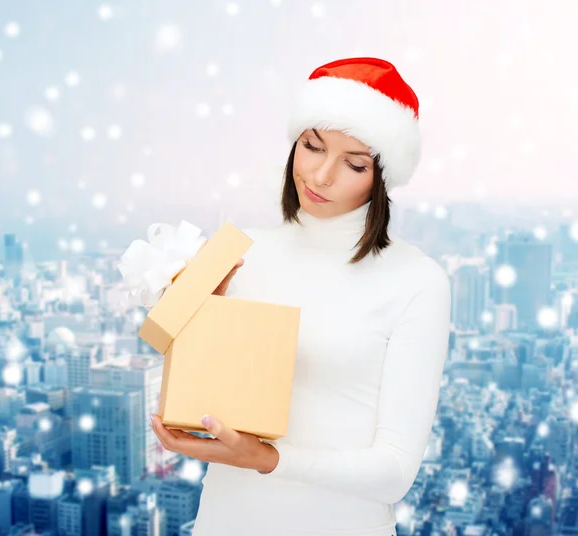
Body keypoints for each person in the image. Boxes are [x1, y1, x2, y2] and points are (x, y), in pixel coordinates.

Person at [151, 57, 452, 536]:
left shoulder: (416, 280)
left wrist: (270, 459)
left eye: (354, 163)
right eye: (312, 146)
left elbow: (395, 472)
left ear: (381, 178)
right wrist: (194, 321)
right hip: (226, 519)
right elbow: (189, 395)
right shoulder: (239, 252)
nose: (321, 175)